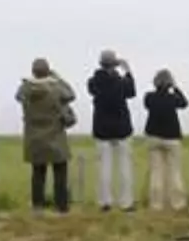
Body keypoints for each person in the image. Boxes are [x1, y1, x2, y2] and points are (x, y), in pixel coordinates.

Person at [18, 58, 77, 214]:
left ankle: (38, 206)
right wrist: (57, 78)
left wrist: (28, 81)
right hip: (55, 135)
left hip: (34, 138)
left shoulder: (26, 90)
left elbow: (18, 95)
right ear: (48, 71)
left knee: (38, 173)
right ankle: (61, 207)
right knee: (60, 172)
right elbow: (71, 94)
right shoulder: (56, 89)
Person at [87, 49, 137, 212]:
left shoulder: (93, 82)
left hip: (102, 129)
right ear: (114, 64)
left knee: (104, 168)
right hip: (122, 128)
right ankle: (126, 202)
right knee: (124, 167)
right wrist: (127, 71)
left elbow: (93, 87)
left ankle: (105, 202)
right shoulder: (120, 82)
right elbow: (132, 92)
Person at [142, 69, 189, 211]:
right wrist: (175, 87)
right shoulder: (173, 98)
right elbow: (184, 103)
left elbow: (147, 105)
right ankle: (177, 203)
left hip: (153, 137)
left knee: (156, 172)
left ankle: (156, 205)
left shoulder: (149, 97)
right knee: (174, 171)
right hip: (172, 138)